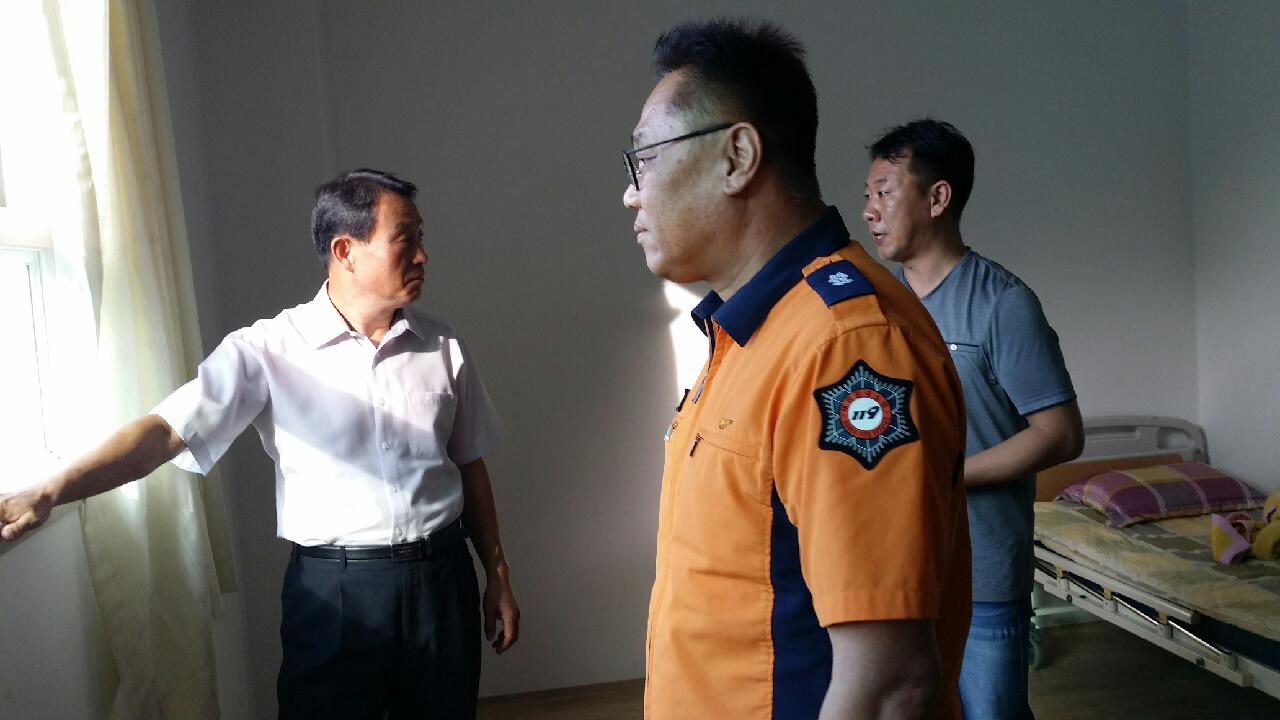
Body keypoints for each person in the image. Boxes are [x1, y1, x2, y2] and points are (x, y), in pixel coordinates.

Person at [0, 169, 520, 719]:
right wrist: (53, 489)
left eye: (420, 238)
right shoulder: (266, 350)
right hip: (335, 593)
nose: (422, 255)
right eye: (406, 239)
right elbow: (165, 431)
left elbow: (469, 463)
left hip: (442, 580)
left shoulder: (442, 344)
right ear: (345, 251)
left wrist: (498, 575)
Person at [623, 20, 971, 719]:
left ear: (737, 156)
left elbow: (889, 686)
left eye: (645, 160)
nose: (632, 194)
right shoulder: (752, 332)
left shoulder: (847, 346)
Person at [862, 119, 1084, 720]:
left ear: (938, 198)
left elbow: (1060, 434)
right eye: (868, 195)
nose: (870, 210)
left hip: (982, 568)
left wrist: (946, 475)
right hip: (897, 565)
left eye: (885, 192)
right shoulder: (878, 306)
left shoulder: (1002, 304)